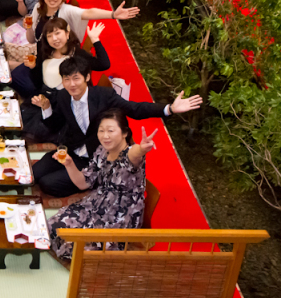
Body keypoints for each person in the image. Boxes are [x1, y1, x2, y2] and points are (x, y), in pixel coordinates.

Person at [31, 56, 202, 197]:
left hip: (94, 159)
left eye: (76, 78)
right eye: (66, 79)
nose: (71, 84)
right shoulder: (63, 96)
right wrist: (46, 109)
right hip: (70, 151)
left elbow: (134, 108)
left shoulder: (104, 96)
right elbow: (54, 126)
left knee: (48, 184)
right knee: (35, 173)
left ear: (87, 77)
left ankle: (94, 184)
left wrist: (169, 108)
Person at [46, 109, 156, 262]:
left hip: (120, 214)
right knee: (52, 225)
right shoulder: (101, 151)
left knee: (77, 248)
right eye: (101, 130)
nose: (105, 136)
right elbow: (84, 183)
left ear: (125, 133)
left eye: (111, 130)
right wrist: (69, 164)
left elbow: (135, 153)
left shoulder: (129, 155)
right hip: (98, 202)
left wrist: (142, 148)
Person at [27, 0, 140, 44]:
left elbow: (88, 12)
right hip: (40, 56)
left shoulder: (66, 10)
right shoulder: (38, 8)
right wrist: (28, 28)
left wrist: (113, 14)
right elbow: (32, 40)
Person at [24, 19, 110, 98]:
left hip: (69, 101)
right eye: (49, 36)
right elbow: (38, 83)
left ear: (67, 34)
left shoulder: (77, 54)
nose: (54, 39)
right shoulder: (45, 53)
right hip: (47, 96)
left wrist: (95, 39)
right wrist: (33, 67)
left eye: (57, 33)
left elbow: (103, 64)